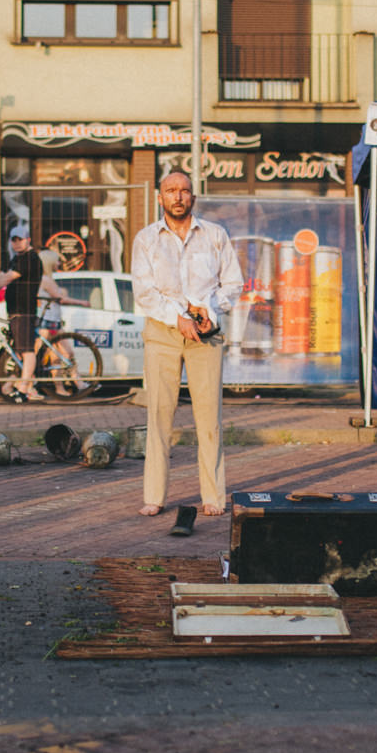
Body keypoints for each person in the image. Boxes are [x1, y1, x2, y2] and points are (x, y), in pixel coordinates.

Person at [130, 169, 244, 519]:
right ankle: (155, 496)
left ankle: (213, 496)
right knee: (160, 416)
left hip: (205, 335)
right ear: (159, 197)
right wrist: (177, 315)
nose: (177, 197)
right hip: (163, 334)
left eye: (184, 190)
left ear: (193, 196)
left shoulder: (215, 235)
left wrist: (207, 310)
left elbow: (233, 284)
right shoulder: (146, 239)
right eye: (170, 190)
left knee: (209, 418)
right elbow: (144, 292)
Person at [0, 226, 75, 402]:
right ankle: (14, 385)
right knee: (20, 351)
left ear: (28, 240)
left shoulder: (29, 258)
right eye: (13, 240)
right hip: (16, 310)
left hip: (24, 311)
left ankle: (24, 389)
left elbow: (8, 278)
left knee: (28, 351)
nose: (16, 243)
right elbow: (5, 276)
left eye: (20, 239)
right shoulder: (17, 258)